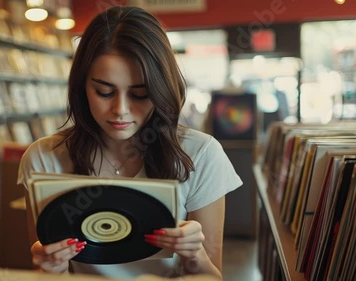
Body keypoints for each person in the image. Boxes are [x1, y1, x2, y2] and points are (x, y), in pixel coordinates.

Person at [17, 6, 242, 279]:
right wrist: (51, 269)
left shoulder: (201, 154)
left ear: (162, 90)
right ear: (81, 86)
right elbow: (42, 271)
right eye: (104, 91)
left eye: (139, 94)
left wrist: (195, 255)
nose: (120, 109)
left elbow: (212, 277)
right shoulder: (44, 158)